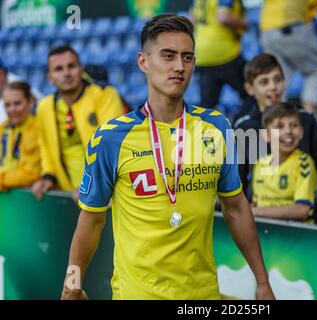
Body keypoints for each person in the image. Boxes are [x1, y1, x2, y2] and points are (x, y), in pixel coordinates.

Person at [61, 14, 274, 300]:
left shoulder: (218, 127)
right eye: (168, 56)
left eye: (187, 57)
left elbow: (235, 207)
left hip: (202, 297)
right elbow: (91, 220)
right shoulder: (111, 138)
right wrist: (72, 284)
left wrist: (262, 282)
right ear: (143, 62)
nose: (179, 66)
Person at [234, 54, 317, 223]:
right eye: (264, 82)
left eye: (277, 79)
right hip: (258, 227)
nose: (273, 87)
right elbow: (237, 185)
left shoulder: (307, 120)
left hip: (305, 230)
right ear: (250, 88)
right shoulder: (244, 127)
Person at [31, 46, 124, 203]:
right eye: (58, 69)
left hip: (108, 193)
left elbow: (111, 145)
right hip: (69, 197)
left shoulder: (105, 94)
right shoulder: (44, 107)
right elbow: (45, 147)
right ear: (50, 77)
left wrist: (88, 185)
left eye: (71, 66)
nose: (66, 73)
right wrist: (48, 176)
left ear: (81, 69)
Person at [259, 0, 317, 113]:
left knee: (280, 77)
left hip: (267, 32)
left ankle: (275, 119)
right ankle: (308, 118)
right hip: (291, 27)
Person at [251, 102, 317, 221]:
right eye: (279, 127)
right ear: (266, 135)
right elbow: (256, 204)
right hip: (263, 233)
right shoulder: (260, 163)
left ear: (301, 132)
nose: (288, 131)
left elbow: (302, 210)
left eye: (294, 125)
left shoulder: (304, 162)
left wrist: (255, 212)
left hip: (295, 235)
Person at [192, 0, 249, 109]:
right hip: (224, 52)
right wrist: (244, 23)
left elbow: (193, 20)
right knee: (251, 94)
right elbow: (223, 17)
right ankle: (247, 124)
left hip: (202, 55)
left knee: (207, 106)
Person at [0, 82, 40, 191]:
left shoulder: (38, 128)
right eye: (7, 105)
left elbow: (31, 174)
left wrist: (1, 180)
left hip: (28, 202)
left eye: (17, 103)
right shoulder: (3, 127)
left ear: (31, 102)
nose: (12, 110)